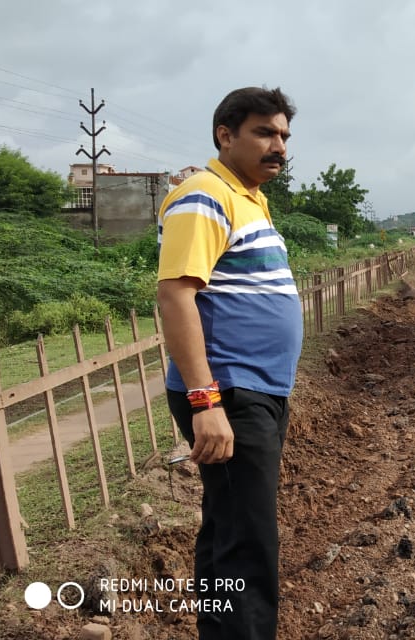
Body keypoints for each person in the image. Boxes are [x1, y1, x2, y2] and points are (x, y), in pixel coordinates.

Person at [156, 86, 301, 640]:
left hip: (254, 390)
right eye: (265, 132)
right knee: (249, 544)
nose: (279, 145)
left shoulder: (246, 196)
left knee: (228, 532)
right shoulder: (204, 195)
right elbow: (175, 297)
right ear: (225, 135)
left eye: (284, 135)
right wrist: (205, 400)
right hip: (228, 392)